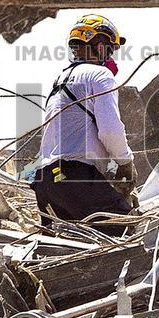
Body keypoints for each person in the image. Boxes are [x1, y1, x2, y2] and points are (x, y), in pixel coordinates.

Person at [31, 14, 137, 231]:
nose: (111, 57)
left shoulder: (61, 81)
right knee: (127, 229)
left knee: (68, 249)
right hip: (73, 176)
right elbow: (109, 130)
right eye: (110, 49)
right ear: (99, 46)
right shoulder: (100, 75)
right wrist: (125, 164)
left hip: (46, 182)